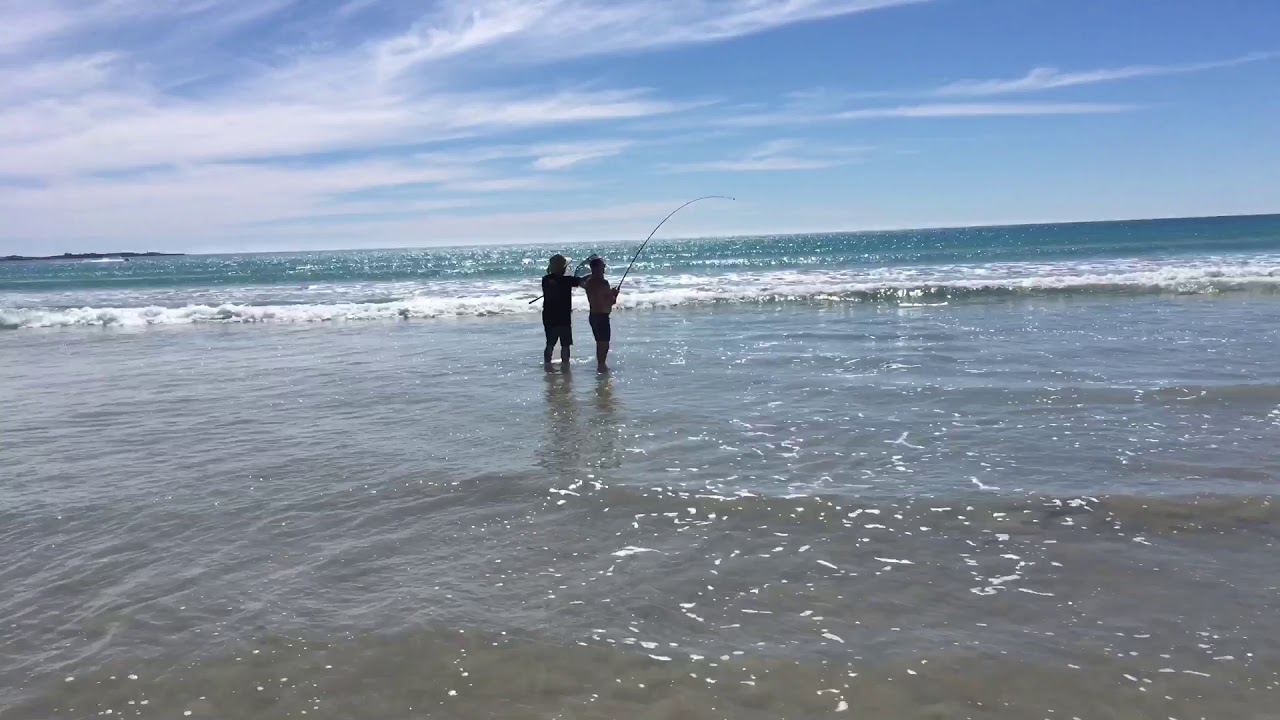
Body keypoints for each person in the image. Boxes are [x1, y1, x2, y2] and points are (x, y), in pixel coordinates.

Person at [541, 255, 584, 371]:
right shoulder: (568, 280)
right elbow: (582, 282)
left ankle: (547, 365)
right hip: (564, 317)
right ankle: (565, 366)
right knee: (565, 344)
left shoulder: (546, 280)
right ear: (563, 268)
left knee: (550, 343)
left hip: (549, 316)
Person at [583, 257, 620, 373]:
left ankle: (601, 365)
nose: (604, 268)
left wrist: (610, 294)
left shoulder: (589, 282)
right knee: (604, 344)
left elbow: (599, 297)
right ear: (596, 268)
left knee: (600, 342)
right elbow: (608, 302)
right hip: (602, 316)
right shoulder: (603, 283)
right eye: (602, 266)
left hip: (593, 315)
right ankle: (601, 366)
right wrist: (614, 295)